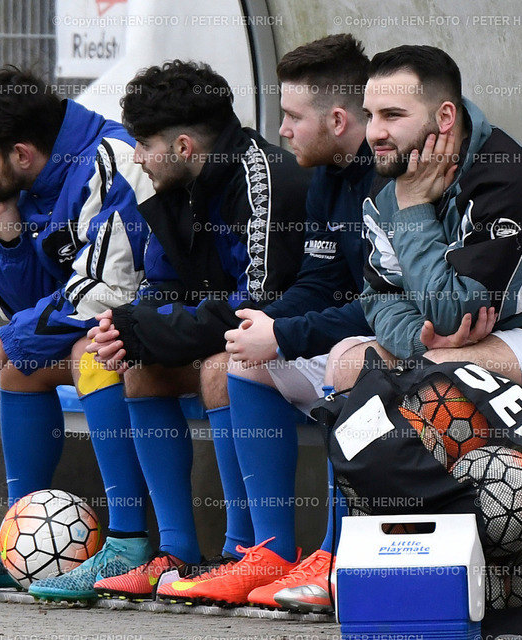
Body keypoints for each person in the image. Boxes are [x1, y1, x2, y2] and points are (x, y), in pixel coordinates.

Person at [155, 34, 375, 610]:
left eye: (292, 116)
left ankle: (335, 553)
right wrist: (265, 324)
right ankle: (266, 553)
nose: (282, 130)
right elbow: (319, 281)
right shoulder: (330, 177)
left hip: (396, 344)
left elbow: (385, 302)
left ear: (336, 118)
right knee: (242, 364)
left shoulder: (388, 177)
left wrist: (283, 333)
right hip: (345, 335)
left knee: (352, 358)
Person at [84, 59, 311, 601]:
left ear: (184, 146)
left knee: (222, 366)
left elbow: (259, 303)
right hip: (236, 336)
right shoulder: (176, 185)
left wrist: (151, 328)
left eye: (143, 144)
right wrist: (131, 327)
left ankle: (246, 551)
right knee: (138, 368)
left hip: (295, 339)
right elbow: (161, 286)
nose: (135, 157)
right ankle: (176, 552)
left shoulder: (264, 181)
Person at [0, 66, 155, 600]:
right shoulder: (34, 182)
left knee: (86, 348)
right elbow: (29, 304)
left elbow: (105, 291)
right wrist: (7, 223)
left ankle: (128, 541)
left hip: (173, 328)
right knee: (21, 365)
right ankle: (17, 541)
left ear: (22, 154)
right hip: (115, 327)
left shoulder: (110, 162)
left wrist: (6, 338)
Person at [328, 44, 522, 391]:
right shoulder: (393, 177)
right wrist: (423, 341)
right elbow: (380, 296)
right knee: (344, 364)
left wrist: (414, 208)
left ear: (445, 117)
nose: (374, 133)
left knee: (438, 374)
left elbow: (456, 312)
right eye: (370, 115)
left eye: (392, 115)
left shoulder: (507, 177)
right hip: (450, 342)